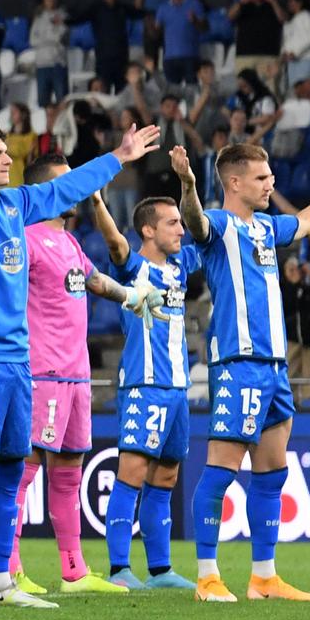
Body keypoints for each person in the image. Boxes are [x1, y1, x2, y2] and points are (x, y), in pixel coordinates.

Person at [0, 113, 161, 610]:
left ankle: (0, 577)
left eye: (8, 153)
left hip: (19, 363)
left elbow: (68, 189)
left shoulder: (17, 205)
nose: (8, 160)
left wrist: (119, 157)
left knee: (7, 471)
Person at [175, 141, 310, 601]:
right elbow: (194, 220)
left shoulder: (266, 227)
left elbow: (307, 221)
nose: (271, 184)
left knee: (272, 471)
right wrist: (187, 184)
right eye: (262, 179)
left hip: (275, 368)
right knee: (222, 471)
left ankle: (263, 577)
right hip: (239, 365)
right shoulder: (220, 227)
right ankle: (207, 576)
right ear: (235, 183)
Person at [5, 154, 159, 597]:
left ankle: (73, 570)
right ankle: (8, 567)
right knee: (25, 470)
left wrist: (132, 296)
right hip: (42, 372)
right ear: (46, 190)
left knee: (70, 468)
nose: (75, 188)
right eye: (65, 182)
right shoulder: (27, 240)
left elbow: (93, 281)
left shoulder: (70, 242)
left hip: (75, 374)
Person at [89, 193, 199, 591]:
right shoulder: (135, 268)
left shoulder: (181, 267)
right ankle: (119, 568)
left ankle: (161, 569)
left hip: (177, 388)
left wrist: (188, 184)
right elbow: (116, 243)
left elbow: (204, 230)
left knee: (166, 476)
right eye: (173, 223)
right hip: (144, 385)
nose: (181, 229)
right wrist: (99, 202)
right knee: (132, 474)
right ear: (149, 230)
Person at [279, 255, 310, 399]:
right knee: (288, 377)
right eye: (291, 270)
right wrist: (292, 283)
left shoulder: (309, 288)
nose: (295, 272)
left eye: (297, 269)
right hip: (290, 340)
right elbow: (285, 304)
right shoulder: (281, 289)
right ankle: (288, 410)